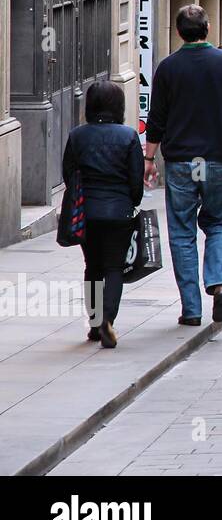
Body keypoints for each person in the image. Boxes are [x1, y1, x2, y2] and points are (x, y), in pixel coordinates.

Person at [144, 4, 222, 326]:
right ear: (207, 29)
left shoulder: (168, 68)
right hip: (217, 160)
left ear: (180, 32)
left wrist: (149, 158)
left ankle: (191, 309)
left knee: (181, 233)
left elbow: (157, 120)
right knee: (219, 222)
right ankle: (219, 281)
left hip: (180, 162)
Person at [62, 80, 144, 349]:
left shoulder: (78, 135)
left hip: (87, 213)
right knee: (114, 267)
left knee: (92, 266)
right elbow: (135, 179)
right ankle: (108, 319)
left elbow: (68, 174)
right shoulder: (128, 136)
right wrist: (132, 201)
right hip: (118, 210)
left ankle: (96, 323)